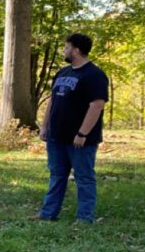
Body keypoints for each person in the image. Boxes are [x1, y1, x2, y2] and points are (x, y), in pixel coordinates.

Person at [35, 33, 109, 223]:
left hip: (80, 139)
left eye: (66, 47)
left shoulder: (95, 75)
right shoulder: (62, 73)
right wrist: (44, 126)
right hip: (56, 136)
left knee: (84, 178)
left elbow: (97, 105)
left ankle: (84, 218)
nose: (64, 50)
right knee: (57, 175)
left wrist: (82, 133)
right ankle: (48, 213)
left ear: (76, 50)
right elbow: (53, 100)